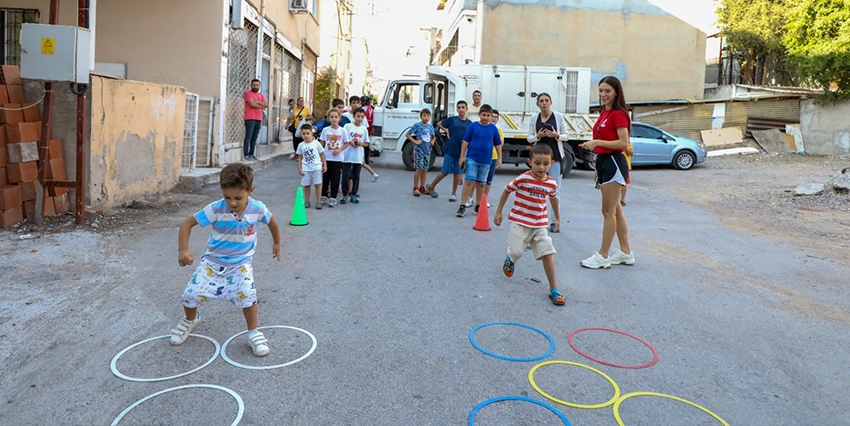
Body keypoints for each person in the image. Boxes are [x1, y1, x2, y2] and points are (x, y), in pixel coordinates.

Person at [170, 163, 281, 357]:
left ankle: (253, 333)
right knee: (190, 294)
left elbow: (272, 222)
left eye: (238, 197)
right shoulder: (216, 209)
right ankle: (190, 319)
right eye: (227, 197)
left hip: (241, 263)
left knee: (247, 295)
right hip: (213, 262)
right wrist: (183, 249)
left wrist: (277, 244)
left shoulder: (258, 208)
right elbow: (187, 223)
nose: (233, 202)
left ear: (250, 190)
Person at [493, 144, 565, 305]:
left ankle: (554, 289)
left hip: (540, 224)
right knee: (517, 252)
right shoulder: (523, 179)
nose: (541, 167)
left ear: (551, 163)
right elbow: (507, 190)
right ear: (529, 162)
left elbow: (553, 199)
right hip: (520, 222)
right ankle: (510, 259)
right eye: (537, 163)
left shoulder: (552, 183)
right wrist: (499, 212)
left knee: (547, 253)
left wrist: (557, 218)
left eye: (546, 163)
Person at [579, 76, 634, 269]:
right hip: (603, 162)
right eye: (601, 90)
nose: (603, 94)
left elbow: (623, 143)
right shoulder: (604, 113)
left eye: (607, 91)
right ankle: (626, 252)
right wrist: (596, 164)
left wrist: (597, 143)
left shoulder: (619, 114)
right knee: (616, 209)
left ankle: (603, 255)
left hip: (613, 162)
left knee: (608, 211)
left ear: (616, 92)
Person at [527, 92, 569, 231]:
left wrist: (556, 135)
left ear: (550, 102)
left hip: (555, 157)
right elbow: (529, 138)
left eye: (546, 100)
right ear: (537, 104)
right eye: (541, 101)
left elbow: (566, 136)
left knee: (554, 190)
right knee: (537, 188)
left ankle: (554, 221)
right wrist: (538, 136)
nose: (544, 103)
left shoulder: (558, 116)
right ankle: (538, 219)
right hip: (538, 158)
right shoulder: (534, 118)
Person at [457, 104, 502, 217]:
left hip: (486, 160)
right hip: (472, 158)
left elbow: (498, 144)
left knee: (481, 183)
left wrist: (500, 158)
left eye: (488, 115)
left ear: (491, 116)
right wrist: (462, 157)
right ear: (479, 114)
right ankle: (462, 205)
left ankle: (478, 205)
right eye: (484, 115)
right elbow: (465, 142)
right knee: (469, 181)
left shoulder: (493, 128)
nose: (486, 117)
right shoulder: (473, 126)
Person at [425, 100, 471, 202]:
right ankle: (431, 186)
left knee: (457, 172)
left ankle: (453, 193)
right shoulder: (452, 120)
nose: (461, 109)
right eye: (459, 108)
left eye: (463, 107)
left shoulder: (469, 123)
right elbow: (440, 123)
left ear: (467, 109)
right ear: (456, 109)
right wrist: (446, 130)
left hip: (461, 152)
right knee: (445, 171)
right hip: (450, 149)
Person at [320, 109, 351, 207]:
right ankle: (323, 195)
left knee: (336, 178)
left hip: (337, 159)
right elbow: (322, 143)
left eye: (335, 117)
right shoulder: (325, 130)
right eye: (331, 117)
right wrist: (321, 156)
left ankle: (333, 197)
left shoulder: (342, 131)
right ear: (328, 118)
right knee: (325, 177)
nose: (334, 119)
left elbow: (347, 143)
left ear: (339, 118)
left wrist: (339, 150)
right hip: (327, 158)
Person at [296, 124, 327, 209]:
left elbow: (322, 154)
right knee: (307, 185)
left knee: (318, 184)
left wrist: (325, 164)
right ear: (301, 134)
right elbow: (300, 157)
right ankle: (307, 201)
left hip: (316, 167)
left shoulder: (316, 143)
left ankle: (318, 201)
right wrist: (299, 167)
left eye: (307, 133)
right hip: (306, 168)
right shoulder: (301, 145)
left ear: (311, 134)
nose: (306, 135)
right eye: (303, 133)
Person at [343, 107, 370, 204]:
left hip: (357, 156)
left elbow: (367, 143)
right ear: (353, 116)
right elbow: (343, 139)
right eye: (358, 116)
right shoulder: (347, 126)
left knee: (356, 176)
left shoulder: (364, 130)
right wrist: (350, 142)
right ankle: (345, 194)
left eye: (362, 117)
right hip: (347, 155)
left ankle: (354, 194)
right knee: (346, 175)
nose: (360, 119)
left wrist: (360, 143)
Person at [407, 109, 435, 196]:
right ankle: (415, 187)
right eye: (424, 115)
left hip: (428, 151)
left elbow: (433, 137)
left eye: (428, 116)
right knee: (418, 169)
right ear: (421, 116)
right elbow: (408, 134)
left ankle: (422, 187)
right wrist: (415, 142)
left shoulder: (430, 127)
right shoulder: (417, 125)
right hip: (419, 150)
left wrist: (432, 142)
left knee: (425, 169)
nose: (426, 117)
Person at [483, 109, 505, 207]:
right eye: (492, 116)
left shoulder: (498, 129)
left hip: (493, 157)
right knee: (478, 180)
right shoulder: (485, 127)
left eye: (496, 117)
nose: (494, 119)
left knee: (488, 180)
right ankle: (471, 198)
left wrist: (500, 158)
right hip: (483, 157)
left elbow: (500, 143)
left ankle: (484, 199)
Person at [243, 79, 267, 161]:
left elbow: (266, 104)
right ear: (251, 85)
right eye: (254, 85)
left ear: (259, 86)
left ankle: (252, 154)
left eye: (257, 85)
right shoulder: (248, 93)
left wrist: (257, 102)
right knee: (248, 136)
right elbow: (252, 104)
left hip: (258, 119)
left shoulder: (261, 95)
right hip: (250, 118)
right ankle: (246, 154)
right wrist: (261, 105)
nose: (255, 86)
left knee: (254, 137)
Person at [621, 141, 634, 206]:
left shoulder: (628, 143)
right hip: (616, 165)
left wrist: (626, 147)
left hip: (625, 165)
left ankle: (622, 199)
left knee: (624, 183)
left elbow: (631, 153)